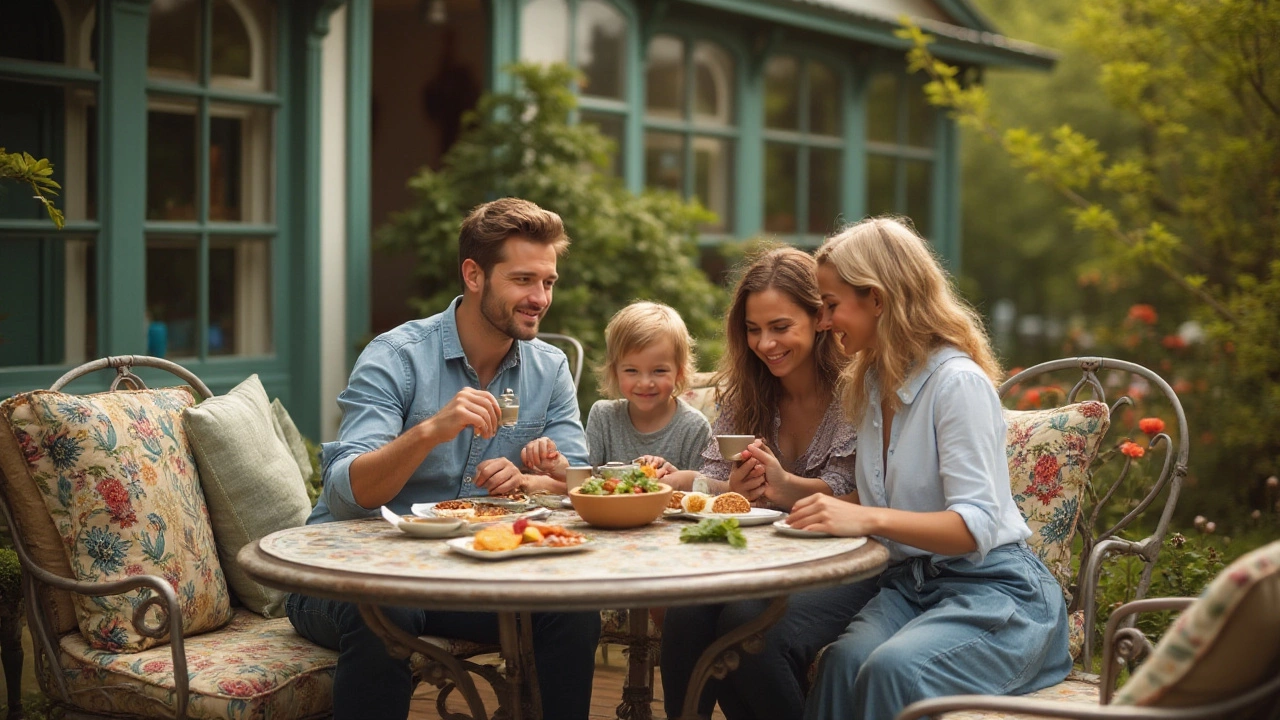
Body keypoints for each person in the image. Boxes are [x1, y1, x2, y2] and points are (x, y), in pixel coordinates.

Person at [286, 198, 601, 720]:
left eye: (548, 282)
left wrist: (528, 479)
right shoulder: (398, 356)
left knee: (571, 610)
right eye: (524, 279)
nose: (539, 298)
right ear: (473, 275)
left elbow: (579, 481)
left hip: (464, 576)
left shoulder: (549, 368)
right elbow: (346, 492)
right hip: (344, 576)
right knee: (388, 603)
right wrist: (430, 430)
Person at [792, 216, 1070, 719]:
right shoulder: (873, 385)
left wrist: (867, 519)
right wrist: (808, 501)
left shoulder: (956, 383)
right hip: (914, 584)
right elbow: (890, 505)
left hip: (996, 592)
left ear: (876, 298)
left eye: (831, 305)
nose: (824, 322)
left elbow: (975, 525)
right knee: (843, 663)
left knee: (892, 670)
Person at [660, 246, 877, 720]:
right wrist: (733, 489)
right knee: (687, 611)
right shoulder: (748, 393)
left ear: (820, 317)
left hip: (849, 562)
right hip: (766, 561)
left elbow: (866, 496)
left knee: (745, 624)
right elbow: (718, 490)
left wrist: (783, 487)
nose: (765, 344)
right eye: (753, 330)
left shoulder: (858, 393)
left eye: (780, 327)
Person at [527, 301, 710, 478]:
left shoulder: (694, 427)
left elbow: (703, 494)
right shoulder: (604, 416)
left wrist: (677, 480)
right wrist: (559, 464)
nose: (645, 383)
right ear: (615, 371)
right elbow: (587, 481)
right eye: (632, 371)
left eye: (659, 371)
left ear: (679, 371)